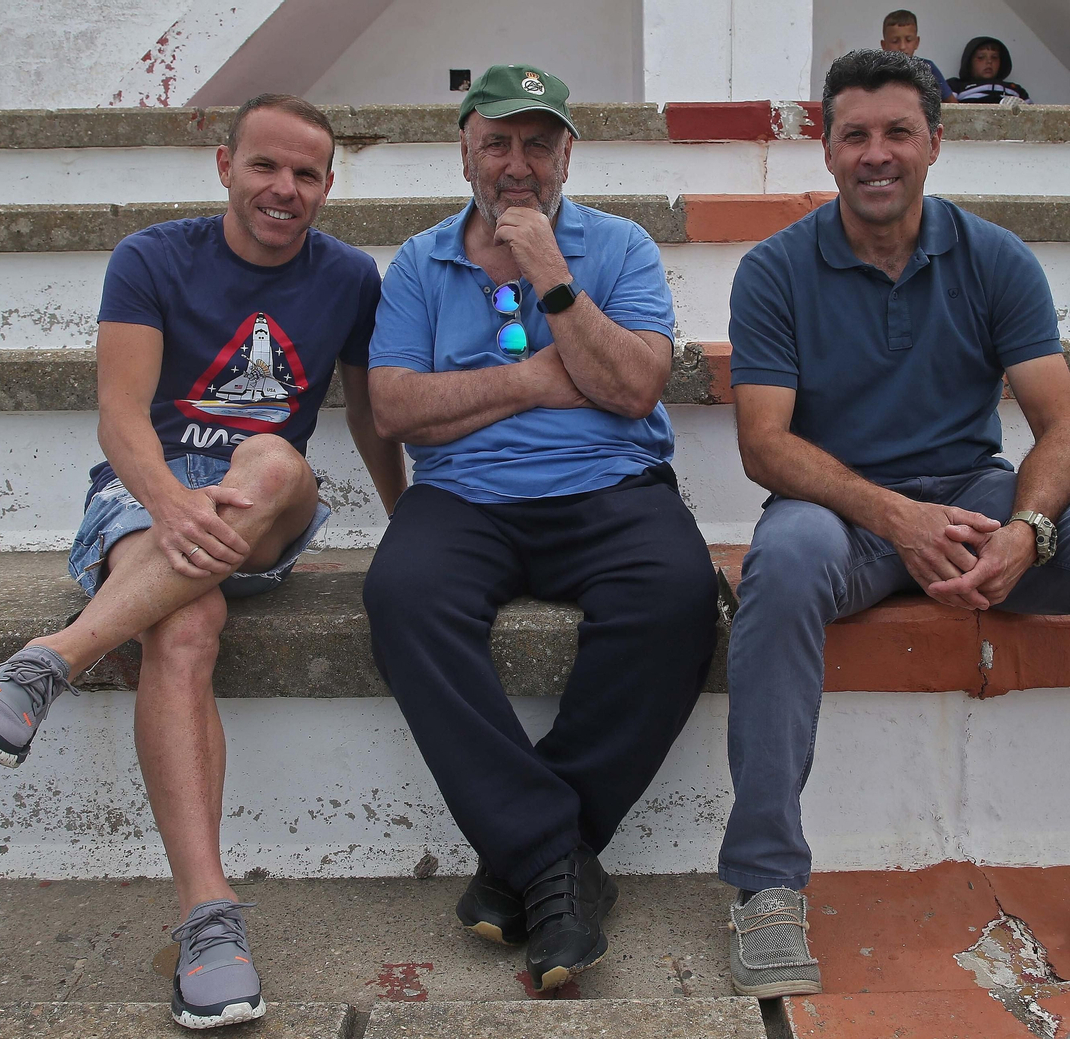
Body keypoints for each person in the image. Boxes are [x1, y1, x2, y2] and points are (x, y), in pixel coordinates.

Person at [717, 49, 1070, 998]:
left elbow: (1061, 424)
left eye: (898, 132)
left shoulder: (995, 258)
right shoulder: (776, 271)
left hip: (978, 502)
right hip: (840, 510)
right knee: (778, 569)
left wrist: (1026, 528)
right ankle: (765, 886)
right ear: (825, 151)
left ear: (935, 144)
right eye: (854, 134)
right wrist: (894, 516)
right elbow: (764, 445)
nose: (876, 154)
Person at [0, 94, 407, 1030]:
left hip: (264, 500)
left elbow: (368, 413)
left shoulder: (352, 276)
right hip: (144, 487)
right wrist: (168, 503)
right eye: (267, 166)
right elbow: (121, 418)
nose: (285, 188)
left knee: (277, 455)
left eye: (307, 174)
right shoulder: (152, 257)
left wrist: (410, 521)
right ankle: (209, 919)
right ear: (225, 163)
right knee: (186, 620)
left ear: (328, 184)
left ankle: (50, 660)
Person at [361, 64, 718, 993]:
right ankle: (560, 868)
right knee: (402, 593)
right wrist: (530, 381)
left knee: (678, 594)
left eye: (536, 143)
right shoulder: (418, 262)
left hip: (612, 486)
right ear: (466, 152)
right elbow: (395, 406)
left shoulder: (622, 246)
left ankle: (524, 859)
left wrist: (551, 272)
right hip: (465, 497)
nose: (516, 164)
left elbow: (635, 385)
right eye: (497, 143)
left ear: (567, 152)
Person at [879, 9, 956, 102]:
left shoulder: (928, 68)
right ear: (884, 45)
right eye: (895, 41)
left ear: (916, 42)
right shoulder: (877, 71)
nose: (902, 47)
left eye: (908, 40)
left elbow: (952, 104)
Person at [948, 35, 1031, 104]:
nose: (989, 62)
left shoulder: (1015, 89)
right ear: (969, 62)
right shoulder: (956, 86)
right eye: (981, 57)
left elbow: (1033, 117)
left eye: (994, 57)